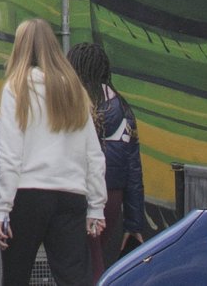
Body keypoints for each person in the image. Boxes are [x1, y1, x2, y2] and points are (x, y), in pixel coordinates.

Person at [0, 20, 105, 286]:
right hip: (71, 193)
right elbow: (93, 154)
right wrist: (96, 206)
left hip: (28, 193)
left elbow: (9, 154)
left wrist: (2, 208)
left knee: (16, 276)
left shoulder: (16, 88)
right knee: (74, 278)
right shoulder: (74, 89)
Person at [68, 42, 146, 275]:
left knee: (83, 262)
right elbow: (134, 169)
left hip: (79, 192)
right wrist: (134, 223)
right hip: (113, 196)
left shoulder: (74, 103)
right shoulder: (122, 107)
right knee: (95, 256)